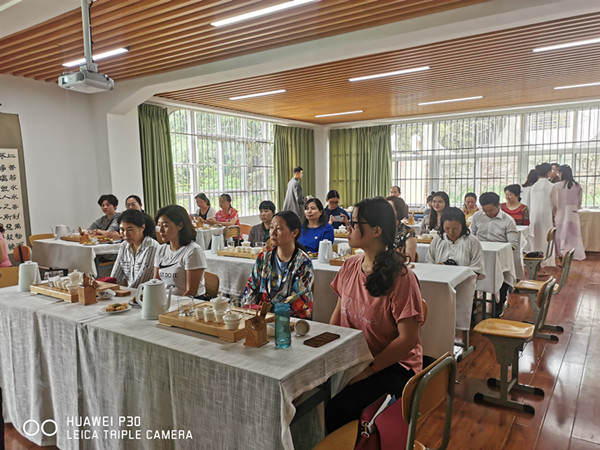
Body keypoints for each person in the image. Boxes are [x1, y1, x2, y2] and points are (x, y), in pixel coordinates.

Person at [326, 197, 423, 433]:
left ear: (376, 231)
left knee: (338, 407)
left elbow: (408, 339)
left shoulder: (401, 277)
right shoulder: (350, 265)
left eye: (355, 223)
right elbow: (337, 316)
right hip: (356, 357)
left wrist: (369, 370)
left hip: (393, 364)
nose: (348, 227)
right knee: (313, 393)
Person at [241, 210, 313, 319]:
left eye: (278, 228)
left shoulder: (303, 262)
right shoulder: (263, 257)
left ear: (294, 233)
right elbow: (251, 287)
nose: (272, 233)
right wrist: (250, 307)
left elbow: (297, 301)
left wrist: (266, 310)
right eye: (271, 228)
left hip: (289, 321)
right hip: (261, 318)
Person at [470, 192, 519, 316]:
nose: (487, 213)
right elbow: (471, 236)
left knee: (503, 274)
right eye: (484, 210)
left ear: (498, 205)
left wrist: (498, 249)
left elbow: (513, 244)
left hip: (500, 256)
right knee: (468, 274)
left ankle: (499, 303)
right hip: (479, 254)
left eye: (491, 210)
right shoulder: (477, 216)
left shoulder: (508, 220)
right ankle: (471, 302)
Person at [154, 205, 207, 296]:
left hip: (189, 301)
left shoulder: (193, 251)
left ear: (180, 225)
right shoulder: (161, 249)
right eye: (159, 225)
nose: (161, 230)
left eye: (165, 226)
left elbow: (191, 292)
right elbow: (156, 281)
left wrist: (170, 303)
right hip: (165, 300)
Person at [426, 207, 485, 279]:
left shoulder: (472, 241)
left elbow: (477, 269)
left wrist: (454, 271)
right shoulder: (437, 241)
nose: (451, 232)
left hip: (464, 283)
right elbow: (429, 263)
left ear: (462, 226)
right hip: (440, 280)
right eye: (447, 228)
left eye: (455, 229)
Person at [111, 209, 159, 288]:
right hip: (131, 291)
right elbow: (115, 275)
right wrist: (109, 289)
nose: (125, 234)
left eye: (130, 229)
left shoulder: (151, 247)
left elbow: (142, 281)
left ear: (142, 227)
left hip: (146, 292)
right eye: (122, 230)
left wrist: (127, 292)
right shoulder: (124, 246)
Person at [529, 163, 558, 269]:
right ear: (548, 172)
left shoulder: (534, 186)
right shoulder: (551, 186)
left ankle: (535, 260)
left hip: (534, 215)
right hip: (546, 215)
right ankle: (546, 260)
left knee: (535, 237)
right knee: (546, 237)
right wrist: (555, 214)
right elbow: (555, 204)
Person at [555, 165, 586, 260]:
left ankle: (560, 253)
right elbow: (579, 202)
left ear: (561, 173)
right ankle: (574, 253)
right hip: (573, 213)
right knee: (574, 235)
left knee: (559, 234)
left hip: (560, 212)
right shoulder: (577, 186)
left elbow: (553, 202)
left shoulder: (556, 186)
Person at [386, 195, 417, 262]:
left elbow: (409, 261)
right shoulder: (378, 230)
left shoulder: (408, 233)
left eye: (390, 209)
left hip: (398, 267)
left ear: (398, 211)